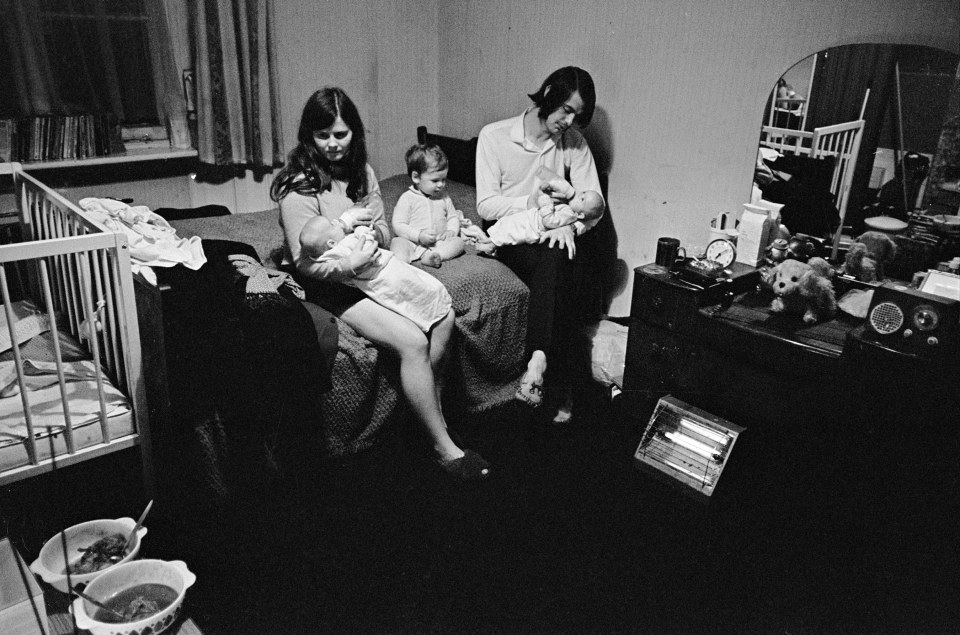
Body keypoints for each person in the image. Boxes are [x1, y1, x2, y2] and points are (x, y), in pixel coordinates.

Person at [271, 86, 489, 480]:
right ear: (309, 135)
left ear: (355, 132)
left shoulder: (362, 172)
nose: (333, 145)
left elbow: (384, 227)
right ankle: (443, 449)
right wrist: (351, 261)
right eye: (323, 136)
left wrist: (375, 240)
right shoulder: (298, 183)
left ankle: (428, 418)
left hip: (368, 267)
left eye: (342, 134)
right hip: (328, 281)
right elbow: (306, 263)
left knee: (442, 315)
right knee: (412, 341)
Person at [476, 66, 605, 423]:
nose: (569, 120)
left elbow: (593, 206)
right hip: (509, 232)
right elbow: (486, 205)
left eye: (577, 115)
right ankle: (561, 382)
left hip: (550, 234)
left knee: (559, 255)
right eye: (565, 108)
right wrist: (534, 207)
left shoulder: (574, 145)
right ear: (548, 93)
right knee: (561, 266)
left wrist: (569, 227)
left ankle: (537, 361)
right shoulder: (495, 135)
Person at [300, 218, 454, 333]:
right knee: (418, 287)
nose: (336, 221)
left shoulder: (326, 256)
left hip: (376, 283)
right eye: (332, 224)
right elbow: (365, 239)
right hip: (386, 272)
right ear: (331, 243)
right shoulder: (348, 242)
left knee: (402, 301)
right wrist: (362, 229)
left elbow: (313, 258)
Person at [390, 144, 467, 267]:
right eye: (435, 180)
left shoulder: (444, 197)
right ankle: (401, 265)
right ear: (416, 177)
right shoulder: (407, 198)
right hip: (412, 242)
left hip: (438, 243)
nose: (441, 185)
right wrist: (418, 236)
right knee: (397, 243)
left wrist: (451, 231)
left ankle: (435, 256)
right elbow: (398, 225)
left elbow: (452, 217)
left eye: (444, 179)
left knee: (458, 243)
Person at [475, 189, 605, 254]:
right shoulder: (568, 209)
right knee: (508, 223)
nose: (578, 196)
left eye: (582, 199)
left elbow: (550, 222)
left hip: (533, 228)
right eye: (582, 193)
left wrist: (546, 206)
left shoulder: (569, 214)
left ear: (580, 215)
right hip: (532, 218)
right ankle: (490, 240)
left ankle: (492, 245)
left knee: (512, 232)